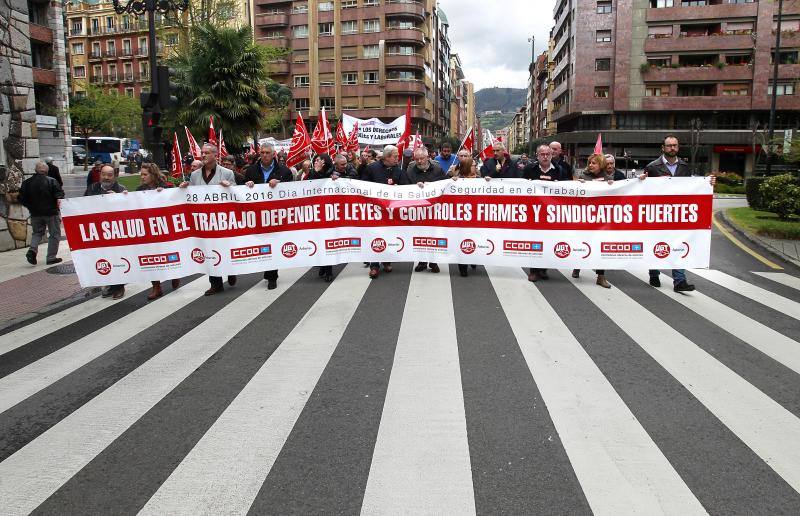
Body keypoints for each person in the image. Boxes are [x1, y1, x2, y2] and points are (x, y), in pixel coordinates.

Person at [640, 135, 715, 293]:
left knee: (680, 244)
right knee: (656, 243)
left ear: (678, 147)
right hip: (658, 213)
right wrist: (641, 180)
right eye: (669, 145)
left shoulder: (685, 166)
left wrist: (707, 183)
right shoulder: (652, 167)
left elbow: (692, 186)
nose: (672, 148)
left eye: (675, 145)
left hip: (679, 213)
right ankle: (654, 273)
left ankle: (679, 281)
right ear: (663, 148)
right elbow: (642, 190)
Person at [180, 143, 238, 296]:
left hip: (222, 219)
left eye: (206, 153)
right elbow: (190, 197)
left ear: (215, 155)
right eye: (202, 153)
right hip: (204, 221)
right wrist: (184, 188)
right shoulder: (194, 175)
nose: (203, 155)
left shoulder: (227, 173)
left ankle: (231, 270)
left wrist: (229, 186)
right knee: (209, 251)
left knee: (224, 249)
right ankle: (215, 283)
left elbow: (237, 195)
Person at [244, 142, 294, 290]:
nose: (264, 155)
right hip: (257, 215)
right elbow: (241, 188)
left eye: (267, 153)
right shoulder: (251, 170)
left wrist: (280, 183)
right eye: (262, 152)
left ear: (273, 154)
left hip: (276, 215)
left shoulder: (284, 171)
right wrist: (247, 184)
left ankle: (272, 276)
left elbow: (293, 190)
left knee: (273, 243)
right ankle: (268, 270)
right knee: (261, 244)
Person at [523, 144, 567, 282]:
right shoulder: (530, 169)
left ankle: (543, 269)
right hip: (534, 212)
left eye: (548, 154)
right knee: (535, 241)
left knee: (549, 241)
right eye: (542, 154)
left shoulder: (558, 170)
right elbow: (520, 185)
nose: (546, 156)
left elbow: (567, 187)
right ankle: (534, 271)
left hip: (551, 213)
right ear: (537, 155)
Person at [137, 163, 181, 300]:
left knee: (168, 253)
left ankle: (175, 274)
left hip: (165, 227)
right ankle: (156, 286)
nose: (142, 177)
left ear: (153, 174)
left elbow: (176, 201)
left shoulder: (167, 187)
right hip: (148, 228)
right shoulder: (139, 190)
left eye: (145, 174)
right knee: (150, 256)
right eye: (141, 175)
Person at [572, 153, 613, 288]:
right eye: (589, 163)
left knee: (601, 246)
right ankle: (577, 266)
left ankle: (601, 276)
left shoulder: (608, 178)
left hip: (601, 218)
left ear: (600, 164)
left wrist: (612, 186)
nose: (590, 165)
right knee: (583, 243)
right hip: (585, 217)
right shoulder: (584, 177)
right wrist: (578, 185)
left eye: (593, 163)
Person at [87, 165, 127, 298]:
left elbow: (128, 208)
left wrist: (119, 198)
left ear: (114, 176)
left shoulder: (121, 189)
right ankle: (110, 285)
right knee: (103, 259)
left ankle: (119, 287)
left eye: (109, 175)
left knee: (117, 259)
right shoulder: (92, 189)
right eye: (104, 174)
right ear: (100, 175)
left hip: (115, 232)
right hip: (98, 231)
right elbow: (82, 205)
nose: (106, 177)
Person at [407, 147, 448, 274]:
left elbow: (444, 184)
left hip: (434, 208)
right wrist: (415, 186)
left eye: (422, 158)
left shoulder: (437, 169)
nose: (419, 161)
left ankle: (433, 261)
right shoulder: (410, 169)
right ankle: (422, 261)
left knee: (433, 234)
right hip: (418, 208)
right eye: (416, 159)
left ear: (427, 158)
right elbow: (405, 185)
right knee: (420, 235)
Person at [363, 145, 402, 278]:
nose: (398, 158)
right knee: (375, 237)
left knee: (389, 236)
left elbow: (407, 185)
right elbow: (362, 185)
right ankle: (374, 266)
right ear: (386, 157)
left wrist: (400, 188)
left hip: (391, 212)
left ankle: (386, 261)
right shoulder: (372, 168)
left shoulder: (398, 169)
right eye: (395, 156)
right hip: (375, 210)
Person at [19, 161, 65, 266]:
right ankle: (51, 257)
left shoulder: (27, 183)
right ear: (47, 171)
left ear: (35, 170)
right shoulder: (52, 181)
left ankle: (32, 250)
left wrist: (30, 206)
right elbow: (60, 195)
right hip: (51, 212)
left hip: (35, 213)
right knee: (54, 234)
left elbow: (21, 198)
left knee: (37, 233)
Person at [450, 155, 479, 277]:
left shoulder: (481, 180)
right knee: (462, 239)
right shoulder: (457, 180)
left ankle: (473, 259)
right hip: (461, 217)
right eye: (473, 165)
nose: (475, 167)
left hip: (476, 217)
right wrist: (452, 180)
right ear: (467, 167)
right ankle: (462, 266)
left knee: (475, 239)